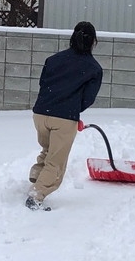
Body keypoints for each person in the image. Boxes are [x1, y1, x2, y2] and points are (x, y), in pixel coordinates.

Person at [26, 21, 103, 210]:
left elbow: (43, 84)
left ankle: (37, 176)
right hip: (64, 117)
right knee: (56, 161)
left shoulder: (54, 59)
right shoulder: (93, 68)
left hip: (40, 114)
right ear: (93, 41)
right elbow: (88, 98)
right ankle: (37, 195)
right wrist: (72, 110)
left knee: (48, 149)